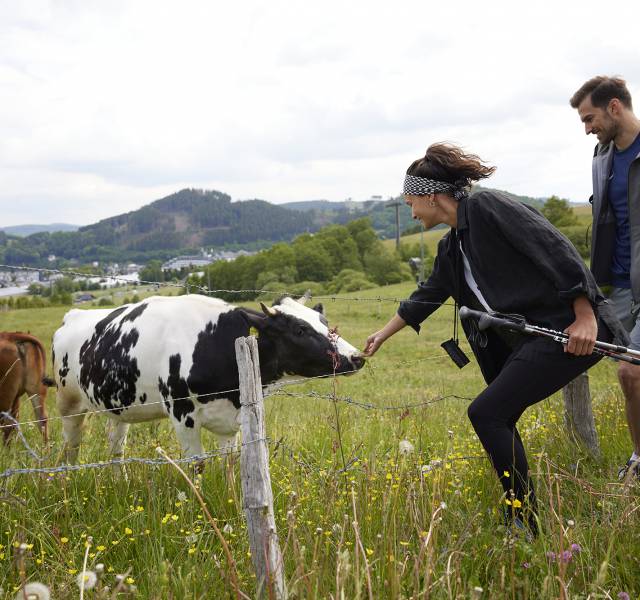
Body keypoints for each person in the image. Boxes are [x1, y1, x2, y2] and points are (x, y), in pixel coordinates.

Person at [363, 143, 628, 535]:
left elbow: (554, 248)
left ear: (431, 196)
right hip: (535, 338)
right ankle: (521, 511)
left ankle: (523, 519)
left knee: (486, 413)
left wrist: (585, 315)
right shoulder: (452, 246)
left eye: (410, 203)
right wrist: (382, 335)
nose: (411, 210)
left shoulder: (489, 209)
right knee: (496, 415)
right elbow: (428, 294)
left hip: (566, 328)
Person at [570, 76, 640, 479]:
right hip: (614, 285)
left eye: (590, 118)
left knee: (631, 371)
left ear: (615, 107)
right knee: (571, 350)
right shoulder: (602, 156)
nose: (587, 128)